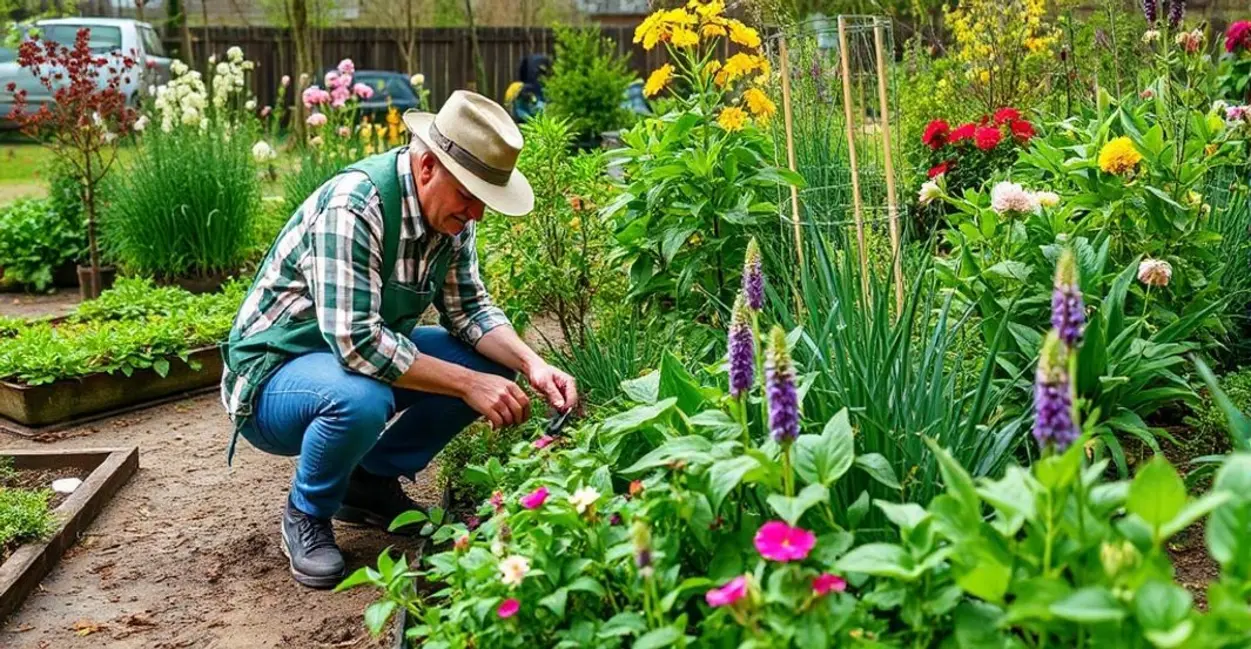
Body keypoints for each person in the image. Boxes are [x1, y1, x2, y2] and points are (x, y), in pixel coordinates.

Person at [218, 90, 578, 589]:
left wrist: (533, 364)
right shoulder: (356, 204)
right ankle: (306, 511)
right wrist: (466, 385)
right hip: (274, 379)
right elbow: (358, 343)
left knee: (492, 367)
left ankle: (366, 484)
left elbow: (470, 310)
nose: (476, 214)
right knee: (361, 398)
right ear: (428, 166)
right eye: (470, 196)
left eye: (484, 200)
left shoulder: (452, 218)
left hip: (345, 362)